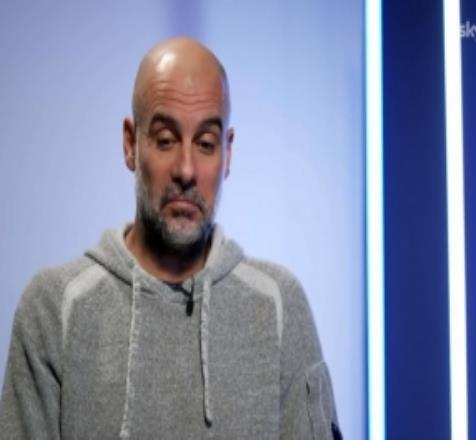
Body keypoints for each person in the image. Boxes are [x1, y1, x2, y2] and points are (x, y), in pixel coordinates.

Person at [0, 37, 342, 439]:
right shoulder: (54, 309)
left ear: (228, 154)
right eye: (165, 140)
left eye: (206, 144)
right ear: (131, 144)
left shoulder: (280, 308)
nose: (186, 170)